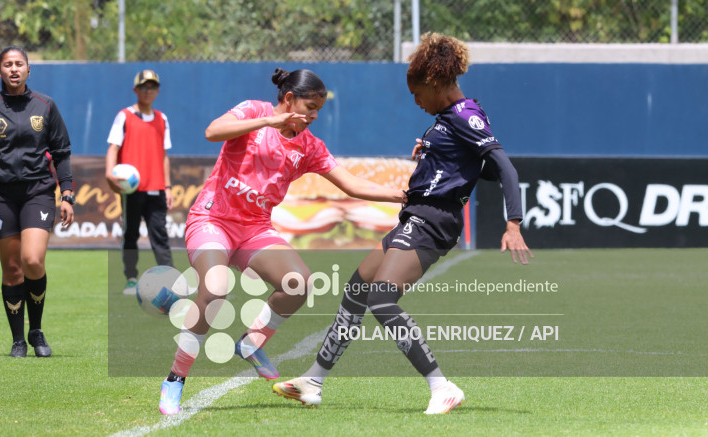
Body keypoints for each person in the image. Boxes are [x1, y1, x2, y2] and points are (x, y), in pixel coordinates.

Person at [273, 33, 533, 414]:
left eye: (416, 93)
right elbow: (476, 168)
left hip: (433, 220)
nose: (415, 101)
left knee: (380, 298)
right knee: (357, 291)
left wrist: (513, 223)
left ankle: (441, 387)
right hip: (417, 217)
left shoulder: (465, 115)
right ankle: (313, 381)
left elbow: (504, 167)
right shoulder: (449, 120)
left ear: (433, 83)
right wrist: (433, 155)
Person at [158, 68, 406, 415]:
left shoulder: (309, 146)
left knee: (299, 283)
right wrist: (265, 123)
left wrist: (400, 195)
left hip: (255, 228)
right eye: (310, 107)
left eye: (319, 109)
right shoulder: (253, 111)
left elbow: (350, 184)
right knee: (214, 289)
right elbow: (213, 131)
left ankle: (250, 342)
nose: (314, 116)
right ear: (288, 99)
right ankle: (175, 379)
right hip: (213, 218)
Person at [0, 46, 74, 358]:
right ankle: (18, 340)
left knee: (32, 260)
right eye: (7, 65)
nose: (13, 69)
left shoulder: (46, 106)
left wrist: (67, 194)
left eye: (18, 64)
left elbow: (61, 152)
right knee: (11, 269)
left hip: (37, 191)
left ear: (28, 69)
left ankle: (36, 330)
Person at [105, 69, 174, 296]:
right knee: (131, 234)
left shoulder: (162, 119)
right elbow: (113, 148)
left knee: (160, 235)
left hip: (156, 187)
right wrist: (109, 173)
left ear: (158, 91)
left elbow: (164, 155)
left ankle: (170, 279)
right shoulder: (124, 116)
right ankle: (131, 279)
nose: (148, 91)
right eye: (143, 87)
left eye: (152, 87)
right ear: (135, 90)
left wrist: (168, 186)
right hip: (131, 189)